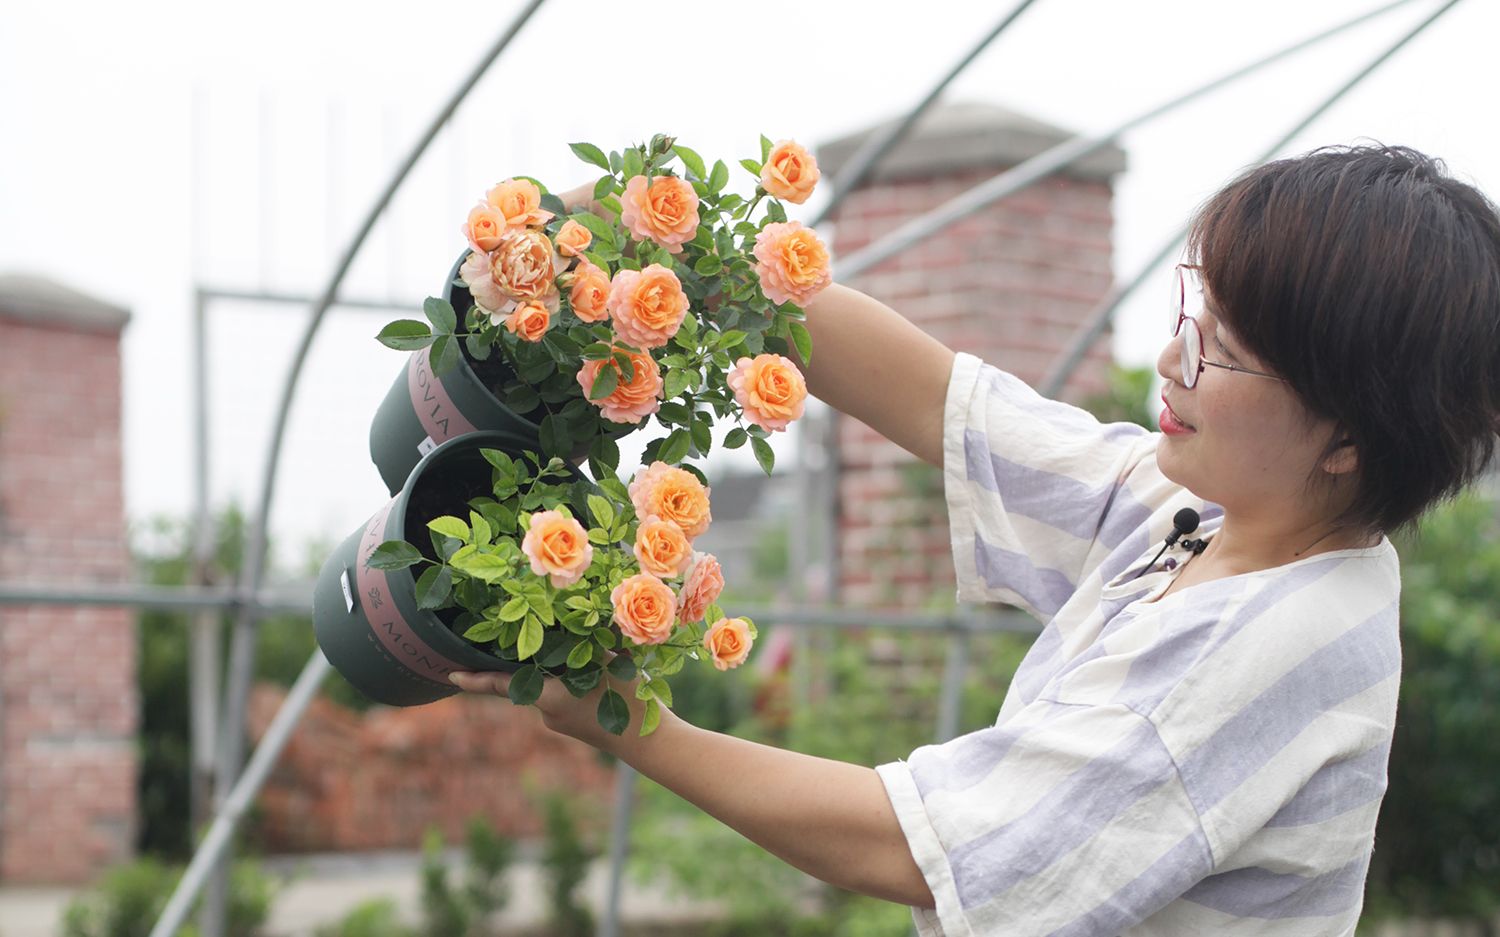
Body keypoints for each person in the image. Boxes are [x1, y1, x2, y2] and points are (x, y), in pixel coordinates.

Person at [450, 144, 1500, 935]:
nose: (1175, 358)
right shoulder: (1218, 515)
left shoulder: (1257, 650)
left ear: (1350, 436)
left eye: (1224, 353)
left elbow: (921, 845)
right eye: (1195, 310)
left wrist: (630, 724)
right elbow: (948, 402)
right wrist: (684, 256)